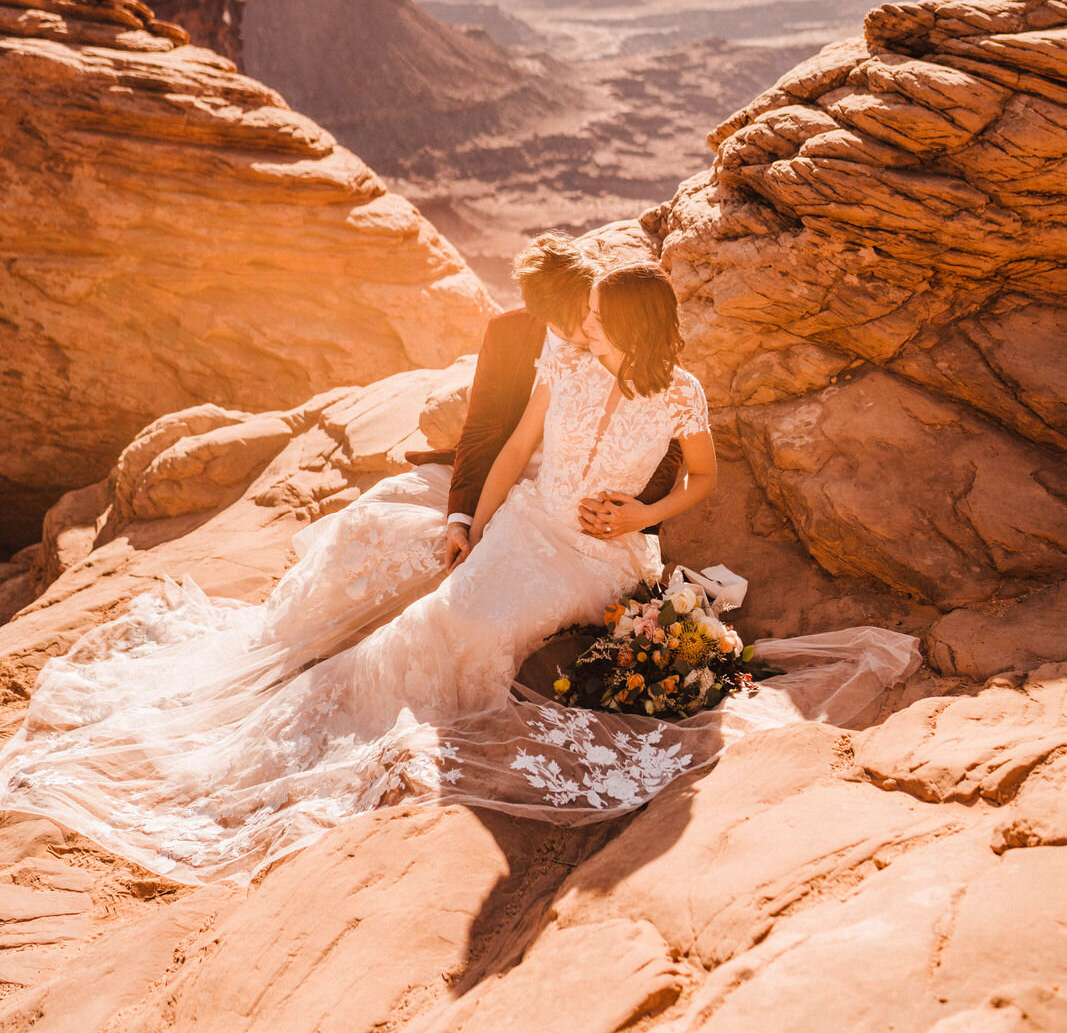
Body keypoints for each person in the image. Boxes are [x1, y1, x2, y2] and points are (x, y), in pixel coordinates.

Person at [0, 264, 918, 887]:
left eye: (600, 309)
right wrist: (467, 525)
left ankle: (438, 719)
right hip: (526, 520)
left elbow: (702, 478)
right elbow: (519, 441)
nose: (584, 318)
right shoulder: (564, 356)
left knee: (480, 630)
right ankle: (357, 713)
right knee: (442, 616)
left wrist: (644, 516)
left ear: (634, 322)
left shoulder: (680, 391)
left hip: (604, 547)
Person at [411, 231, 680, 571]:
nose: (592, 324)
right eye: (579, 318)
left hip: (587, 517)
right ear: (547, 316)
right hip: (503, 489)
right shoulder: (508, 335)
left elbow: (669, 442)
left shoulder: (626, 334)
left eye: (592, 309)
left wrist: (635, 509)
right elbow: (486, 432)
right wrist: (462, 521)